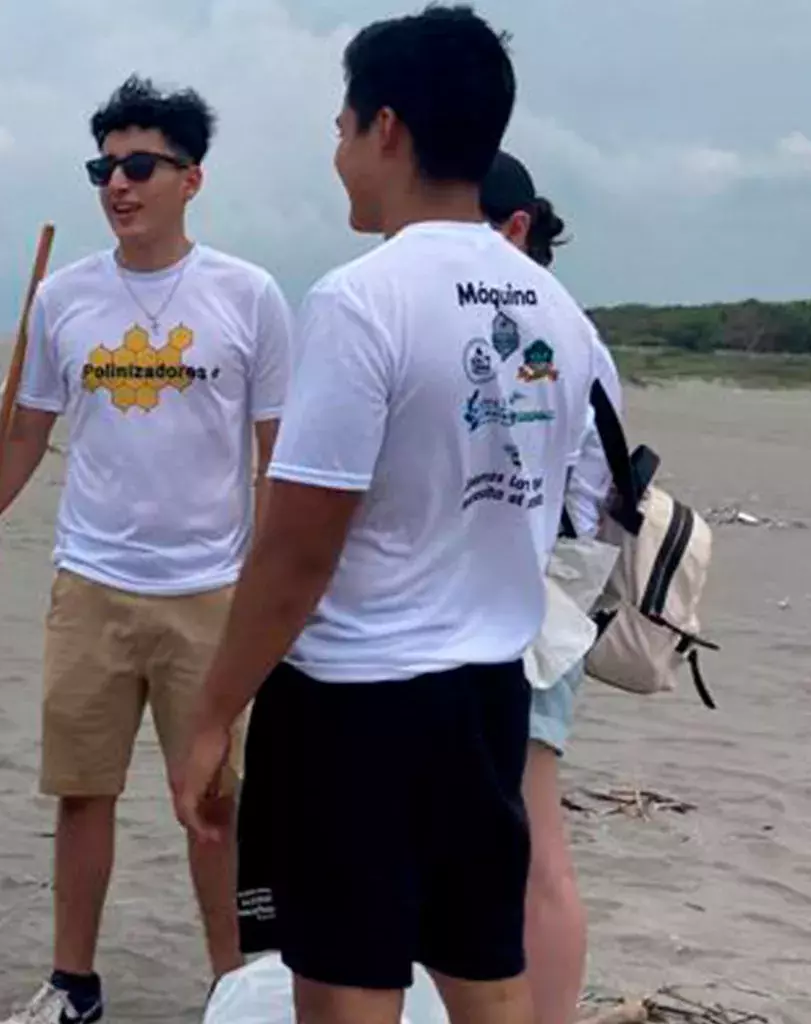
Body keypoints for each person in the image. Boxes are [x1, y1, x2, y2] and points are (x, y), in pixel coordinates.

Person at [173, 7, 609, 1024]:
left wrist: (211, 713)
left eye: (340, 127)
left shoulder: (363, 298)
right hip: (488, 696)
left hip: (356, 705)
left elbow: (297, 547)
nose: (337, 153)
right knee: (483, 969)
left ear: (388, 130)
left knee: (348, 986)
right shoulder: (557, 314)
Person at [0, 75, 294, 1023]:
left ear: (192, 177)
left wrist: (277, 587)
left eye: (140, 165)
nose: (119, 185)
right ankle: (74, 984)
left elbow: (276, 456)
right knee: (82, 793)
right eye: (104, 167)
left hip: (211, 588)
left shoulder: (249, 296)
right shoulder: (65, 297)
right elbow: (24, 434)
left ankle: (235, 986)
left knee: (213, 800)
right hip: (92, 581)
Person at [482, 149, 626, 1024]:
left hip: (538, 603)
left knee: (534, 844)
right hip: (542, 596)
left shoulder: (550, 330)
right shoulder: (570, 328)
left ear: (514, 230)